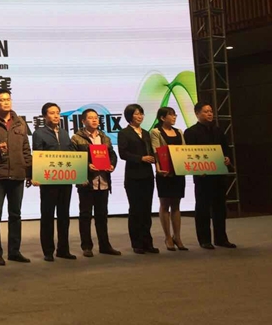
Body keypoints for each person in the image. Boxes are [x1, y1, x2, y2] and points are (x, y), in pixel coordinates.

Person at [0, 88, 32, 265]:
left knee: (15, 214)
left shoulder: (20, 122)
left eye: (8, 99)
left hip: (17, 174)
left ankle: (14, 251)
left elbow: (26, 149)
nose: (6, 102)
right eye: (1, 100)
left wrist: (29, 172)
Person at [184, 102, 236, 249]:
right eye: (206, 111)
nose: (210, 114)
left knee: (220, 208)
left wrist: (227, 158)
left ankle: (221, 238)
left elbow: (226, 149)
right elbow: (189, 154)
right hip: (202, 176)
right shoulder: (191, 132)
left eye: (211, 111)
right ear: (197, 114)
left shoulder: (218, 130)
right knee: (203, 208)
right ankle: (204, 239)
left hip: (219, 175)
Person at [71, 108, 122, 258]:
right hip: (87, 182)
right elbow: (73, 158)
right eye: (91, 118)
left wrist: (112, 165)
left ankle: (105, 245)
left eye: (96, 117)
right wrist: (87, 165)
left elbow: (112, 155)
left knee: (102, 215)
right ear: (83, 121)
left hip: (103, 181)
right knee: (85, 215)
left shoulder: (104, 137)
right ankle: (87, 246)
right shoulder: (76, 138)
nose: (94, 120)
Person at [31, 102, 77, 262]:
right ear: (44, 116)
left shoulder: (65, 133)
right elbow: (37, 155)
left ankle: (63, 249)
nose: (56, 115)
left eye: (58, 112)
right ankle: (48, 251)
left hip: (65, 179)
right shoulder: (39, 133)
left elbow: (71, 155)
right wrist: (35, 175)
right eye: (52, 113)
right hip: (48, 180)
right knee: (48, 216)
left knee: (64, 215)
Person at [118, 104, 159, 254]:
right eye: (136, 114)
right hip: (133, 176)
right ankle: (137, 243)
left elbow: (151, 151)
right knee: (135, 209)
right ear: (129, 116)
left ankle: (148, 242)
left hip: (147, 175)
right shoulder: (124, 133)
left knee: (147, 210)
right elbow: (123, 153)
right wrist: (141, 158)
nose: (140, 116)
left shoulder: (146, 133)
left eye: (141, 113)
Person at [150, 107, 188, 251]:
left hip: (178, 171)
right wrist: (158, 168)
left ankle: (177, 236)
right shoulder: (156, 132)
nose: (174, 117)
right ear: (162, 118)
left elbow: (184, 150)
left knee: (176, 205)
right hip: (164, 172)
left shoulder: (179, 132)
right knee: (165, 204)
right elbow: (156, 152)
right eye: (171, 115)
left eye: (175, 115)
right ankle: (167, 237)